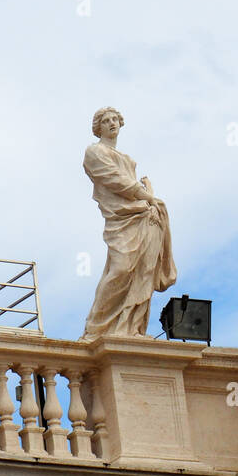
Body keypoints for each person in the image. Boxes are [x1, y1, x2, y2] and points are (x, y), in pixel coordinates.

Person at [80, 107, 176, 338]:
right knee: (121, 268)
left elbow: (129, 183)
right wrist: (147, 196)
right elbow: (116, 180)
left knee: (144, 271)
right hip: (122, 218)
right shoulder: (94, 153)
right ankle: (96, 329)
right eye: (106, 120)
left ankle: (132, 328)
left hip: (145, 216)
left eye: (115, 119)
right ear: (98, 127)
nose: (112, 123)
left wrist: (149, 197)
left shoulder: (127, 159)